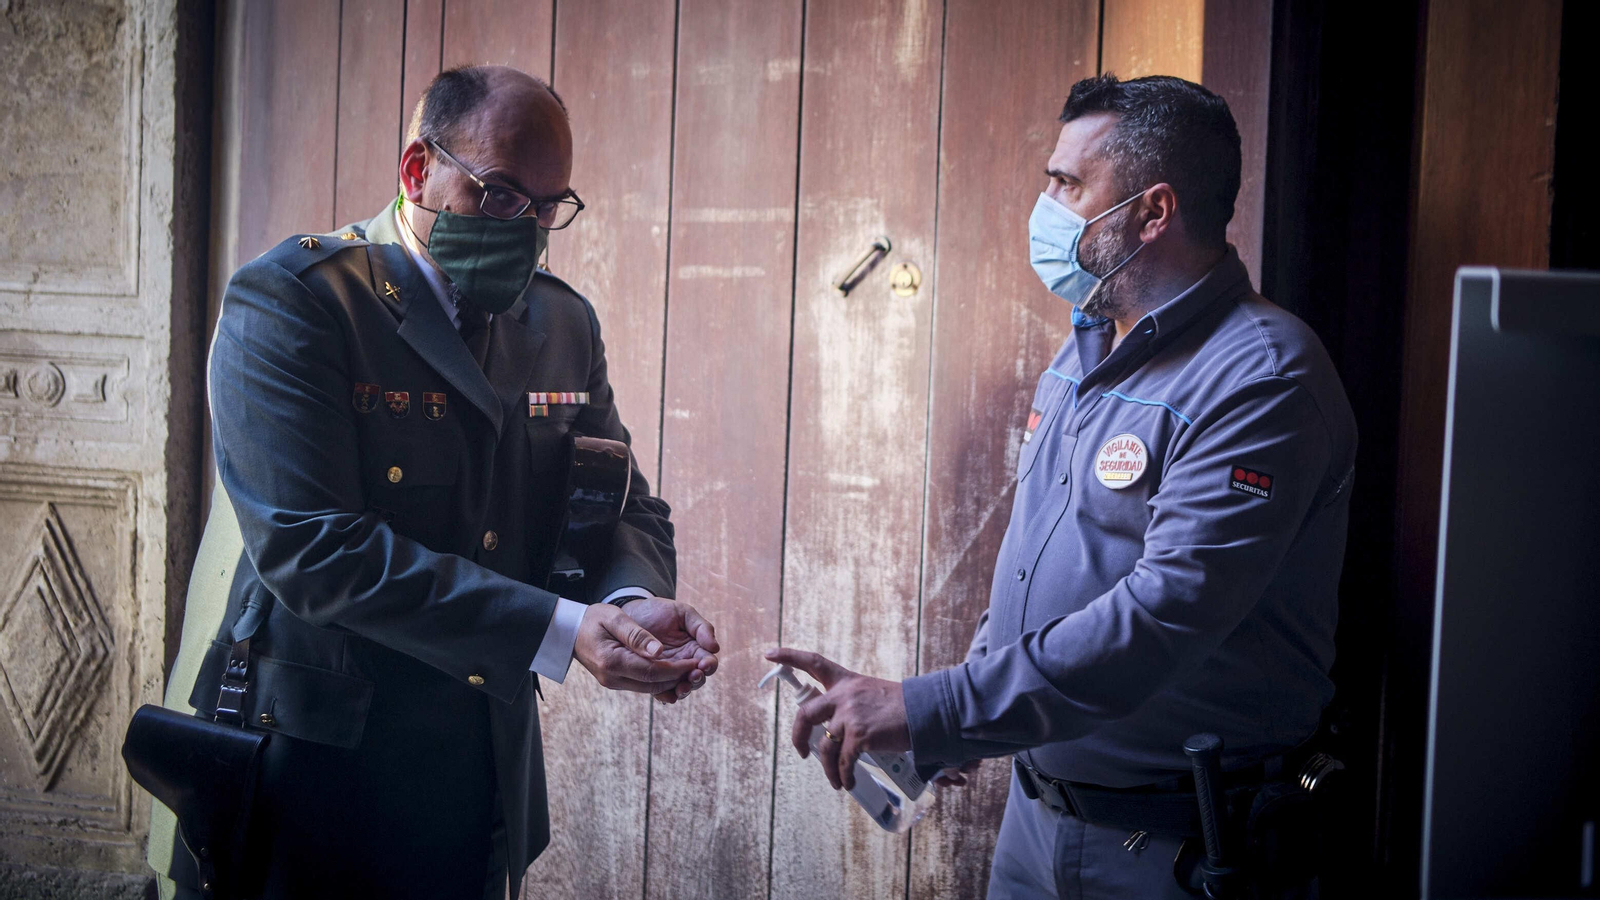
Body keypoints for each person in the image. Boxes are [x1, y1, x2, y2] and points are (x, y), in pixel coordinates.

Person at [769, 73, 1356, 899]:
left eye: (1069, 184)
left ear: (1153, 212)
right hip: (1037, 824)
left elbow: (1159, 616)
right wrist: (945, 734)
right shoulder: (1085, 350)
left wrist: (934, 705)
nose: (1045, 204)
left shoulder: (1260, 378)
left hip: (1178, 848)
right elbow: (1040, 567)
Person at [160, 65, 719, 899]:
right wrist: (562, 631)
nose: (525, 228)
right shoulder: (299, 304)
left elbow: (618, 501)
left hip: (481, 770)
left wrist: (634, 609)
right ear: (418, 171)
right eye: (500, 195)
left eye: (547, 207)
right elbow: (315, 550)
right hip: (315, 773)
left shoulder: (561, 322)